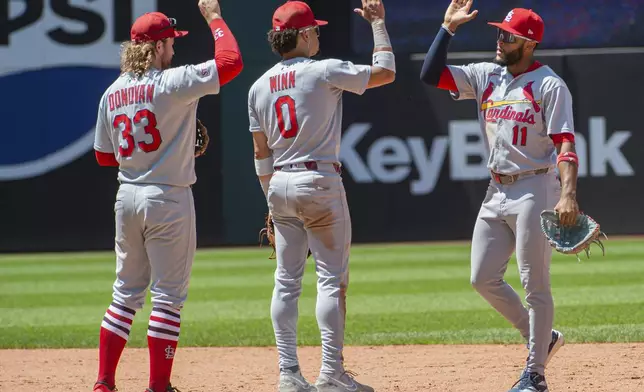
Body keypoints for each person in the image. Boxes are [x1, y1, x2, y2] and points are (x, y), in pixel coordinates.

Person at [419, 1, 578, 391]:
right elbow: (430, 75)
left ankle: (535, 374)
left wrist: (568, 194)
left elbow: (565, 144)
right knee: (481, 277)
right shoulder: (487, 75)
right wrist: (447, 29)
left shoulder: (550, 85)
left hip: (535, 187)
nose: (499, 39)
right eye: (499, 32)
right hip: (497, 188)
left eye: (506, 35)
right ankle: (544, 339)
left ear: (527, 43)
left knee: (534, 284)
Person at [91, 1, 243, 391]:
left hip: (127, 196)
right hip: (168, 197)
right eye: (170, 43)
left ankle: (104, 382)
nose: (173, 49)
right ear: (157, 47)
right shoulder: (172, 82)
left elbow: (104, 156)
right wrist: (214, 18)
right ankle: (159, 386)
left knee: (124, 294)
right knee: (167, 298)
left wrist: (152, 153)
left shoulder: (112, 92)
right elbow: (231, 62)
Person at [247, 1, 395, 391]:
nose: (318, 34)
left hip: (279, 183)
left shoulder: (258, 86)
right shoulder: (323, 69)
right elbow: (386, 72)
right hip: (319, 180)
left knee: (286, 281)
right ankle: (331, 374)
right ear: (302, 35)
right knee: (330, 280)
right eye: (314, 29)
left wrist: (269, 201)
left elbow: (261, 152)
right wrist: (378, 24)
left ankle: (289, 374)